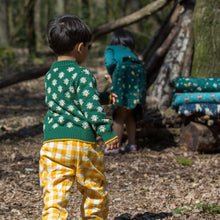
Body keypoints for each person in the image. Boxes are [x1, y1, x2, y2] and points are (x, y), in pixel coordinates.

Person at [39, 14, 119, 220]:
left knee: (54, 194)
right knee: (93, 190)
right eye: (89, 47)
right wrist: (107, 132)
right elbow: (90, 107)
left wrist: (105, 97)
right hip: (82, 143)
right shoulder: (82, 74)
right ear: (80, 47)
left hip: (53, 144)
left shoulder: (50, 75)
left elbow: (69, 98)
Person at [104, 29, 146, 154]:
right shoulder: (130, 52)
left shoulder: (110, 49)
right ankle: (132, 145)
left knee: (119, 115)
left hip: (122, 77)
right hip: (138, 77)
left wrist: (112, 74)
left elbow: (110, 63)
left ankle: (114, 146)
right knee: (129, 114)